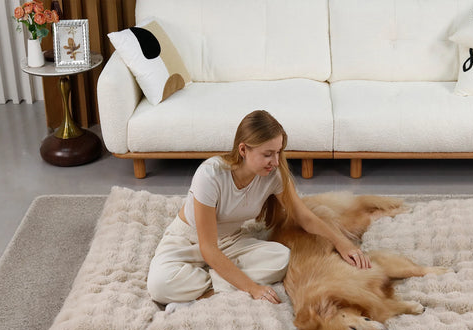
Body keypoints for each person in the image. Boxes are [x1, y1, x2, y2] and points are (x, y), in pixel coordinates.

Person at [147, 110, 369, 313]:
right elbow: (208, 247)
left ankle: (203, 289)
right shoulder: (210, 175)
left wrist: (341, 242)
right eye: (267, 154)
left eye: (278, 153)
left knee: (281, 259)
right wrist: (252, 288)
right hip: (188, 241)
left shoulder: (274, 175)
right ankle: (221, 282)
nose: (275, 161)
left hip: (230, 241)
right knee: (159, 285)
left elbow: (304, 216)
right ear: (243, 149)